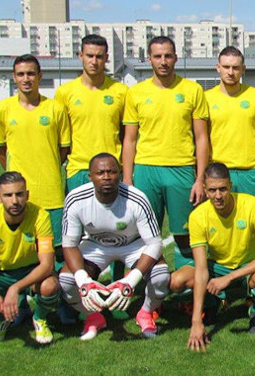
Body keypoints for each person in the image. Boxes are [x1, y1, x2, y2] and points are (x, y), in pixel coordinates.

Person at [122, 36, 209, 301]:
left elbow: (202, 138)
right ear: (149, 58)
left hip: (182, 170)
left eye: (168, 56)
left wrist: (200, 178)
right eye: (157, 56)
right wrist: (128, 179)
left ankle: (185, 294)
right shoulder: (136, 93)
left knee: (184, 234)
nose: (163, 61)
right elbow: (129, 139)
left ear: (176, 57)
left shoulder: (193, 91)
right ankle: (146, 293)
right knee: (144, 236)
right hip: (146, 170)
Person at [55, 34, 129, 320]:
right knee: (76, 238)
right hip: (78, 173)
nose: (94, 60)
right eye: (89, 55)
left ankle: (120, 294)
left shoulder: (120, 92)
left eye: (100, 56)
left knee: (123, 233)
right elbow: (61, 138)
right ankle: (74, 297)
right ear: (80, 56)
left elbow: (127, 134)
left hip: (113, 175)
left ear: (107, 58)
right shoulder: (65, 93)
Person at [59, 153, 170, 340]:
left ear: (120, 174)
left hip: (133, 244)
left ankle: (145, 313)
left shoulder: (137, 198)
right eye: (100, 172)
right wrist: (82, 279)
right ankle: (93, 316)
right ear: (90, 176)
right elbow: (69, 244)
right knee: (66, 281)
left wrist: (131, 280)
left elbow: (154, 242)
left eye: (112, 172)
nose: (106, 177)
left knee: (161, 277)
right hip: (95, 245)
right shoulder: (76, 199)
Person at [186, 163, 255, 352]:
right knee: (179, 280)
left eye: (222, 189)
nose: (218, 196)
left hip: (249, 267)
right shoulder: (197, 217)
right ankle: (213, 303)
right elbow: (201, 268)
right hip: (217, 267)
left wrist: (229, 278)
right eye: (212, 190)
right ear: (204, 189)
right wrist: (196, 321)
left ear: (230, 185)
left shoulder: (253, 205)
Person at [0, 54, 70, 256]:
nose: (26, 79)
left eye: (31, 74)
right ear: (14, 77)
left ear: (40, 76)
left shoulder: (56, 108)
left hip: (51, 194)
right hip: (18, 194)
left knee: (54, 252)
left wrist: (47, 167)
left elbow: (63, 150)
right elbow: (1, 149)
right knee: (23, 250)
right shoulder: (2, 109)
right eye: (21, 74)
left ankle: (52, 287)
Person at [0, 172, 59, 345]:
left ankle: (39, 318)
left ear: (27, 195)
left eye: (19, 194)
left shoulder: (40, 216)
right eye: (8, 195)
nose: (15, 200)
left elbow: (47, 265)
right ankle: (7, 316)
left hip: (31, 270)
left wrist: (15, 288)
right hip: (0, 272)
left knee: (50, 286)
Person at [204, 46, 255, 201]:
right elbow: (199, 139)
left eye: (235, 68)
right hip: (217, 172)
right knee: (218, 223)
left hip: (249, 173)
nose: (230, 72)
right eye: (226, 67)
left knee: (251, 223)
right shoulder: (206, 98)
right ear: (218, 68)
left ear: (243, 69)